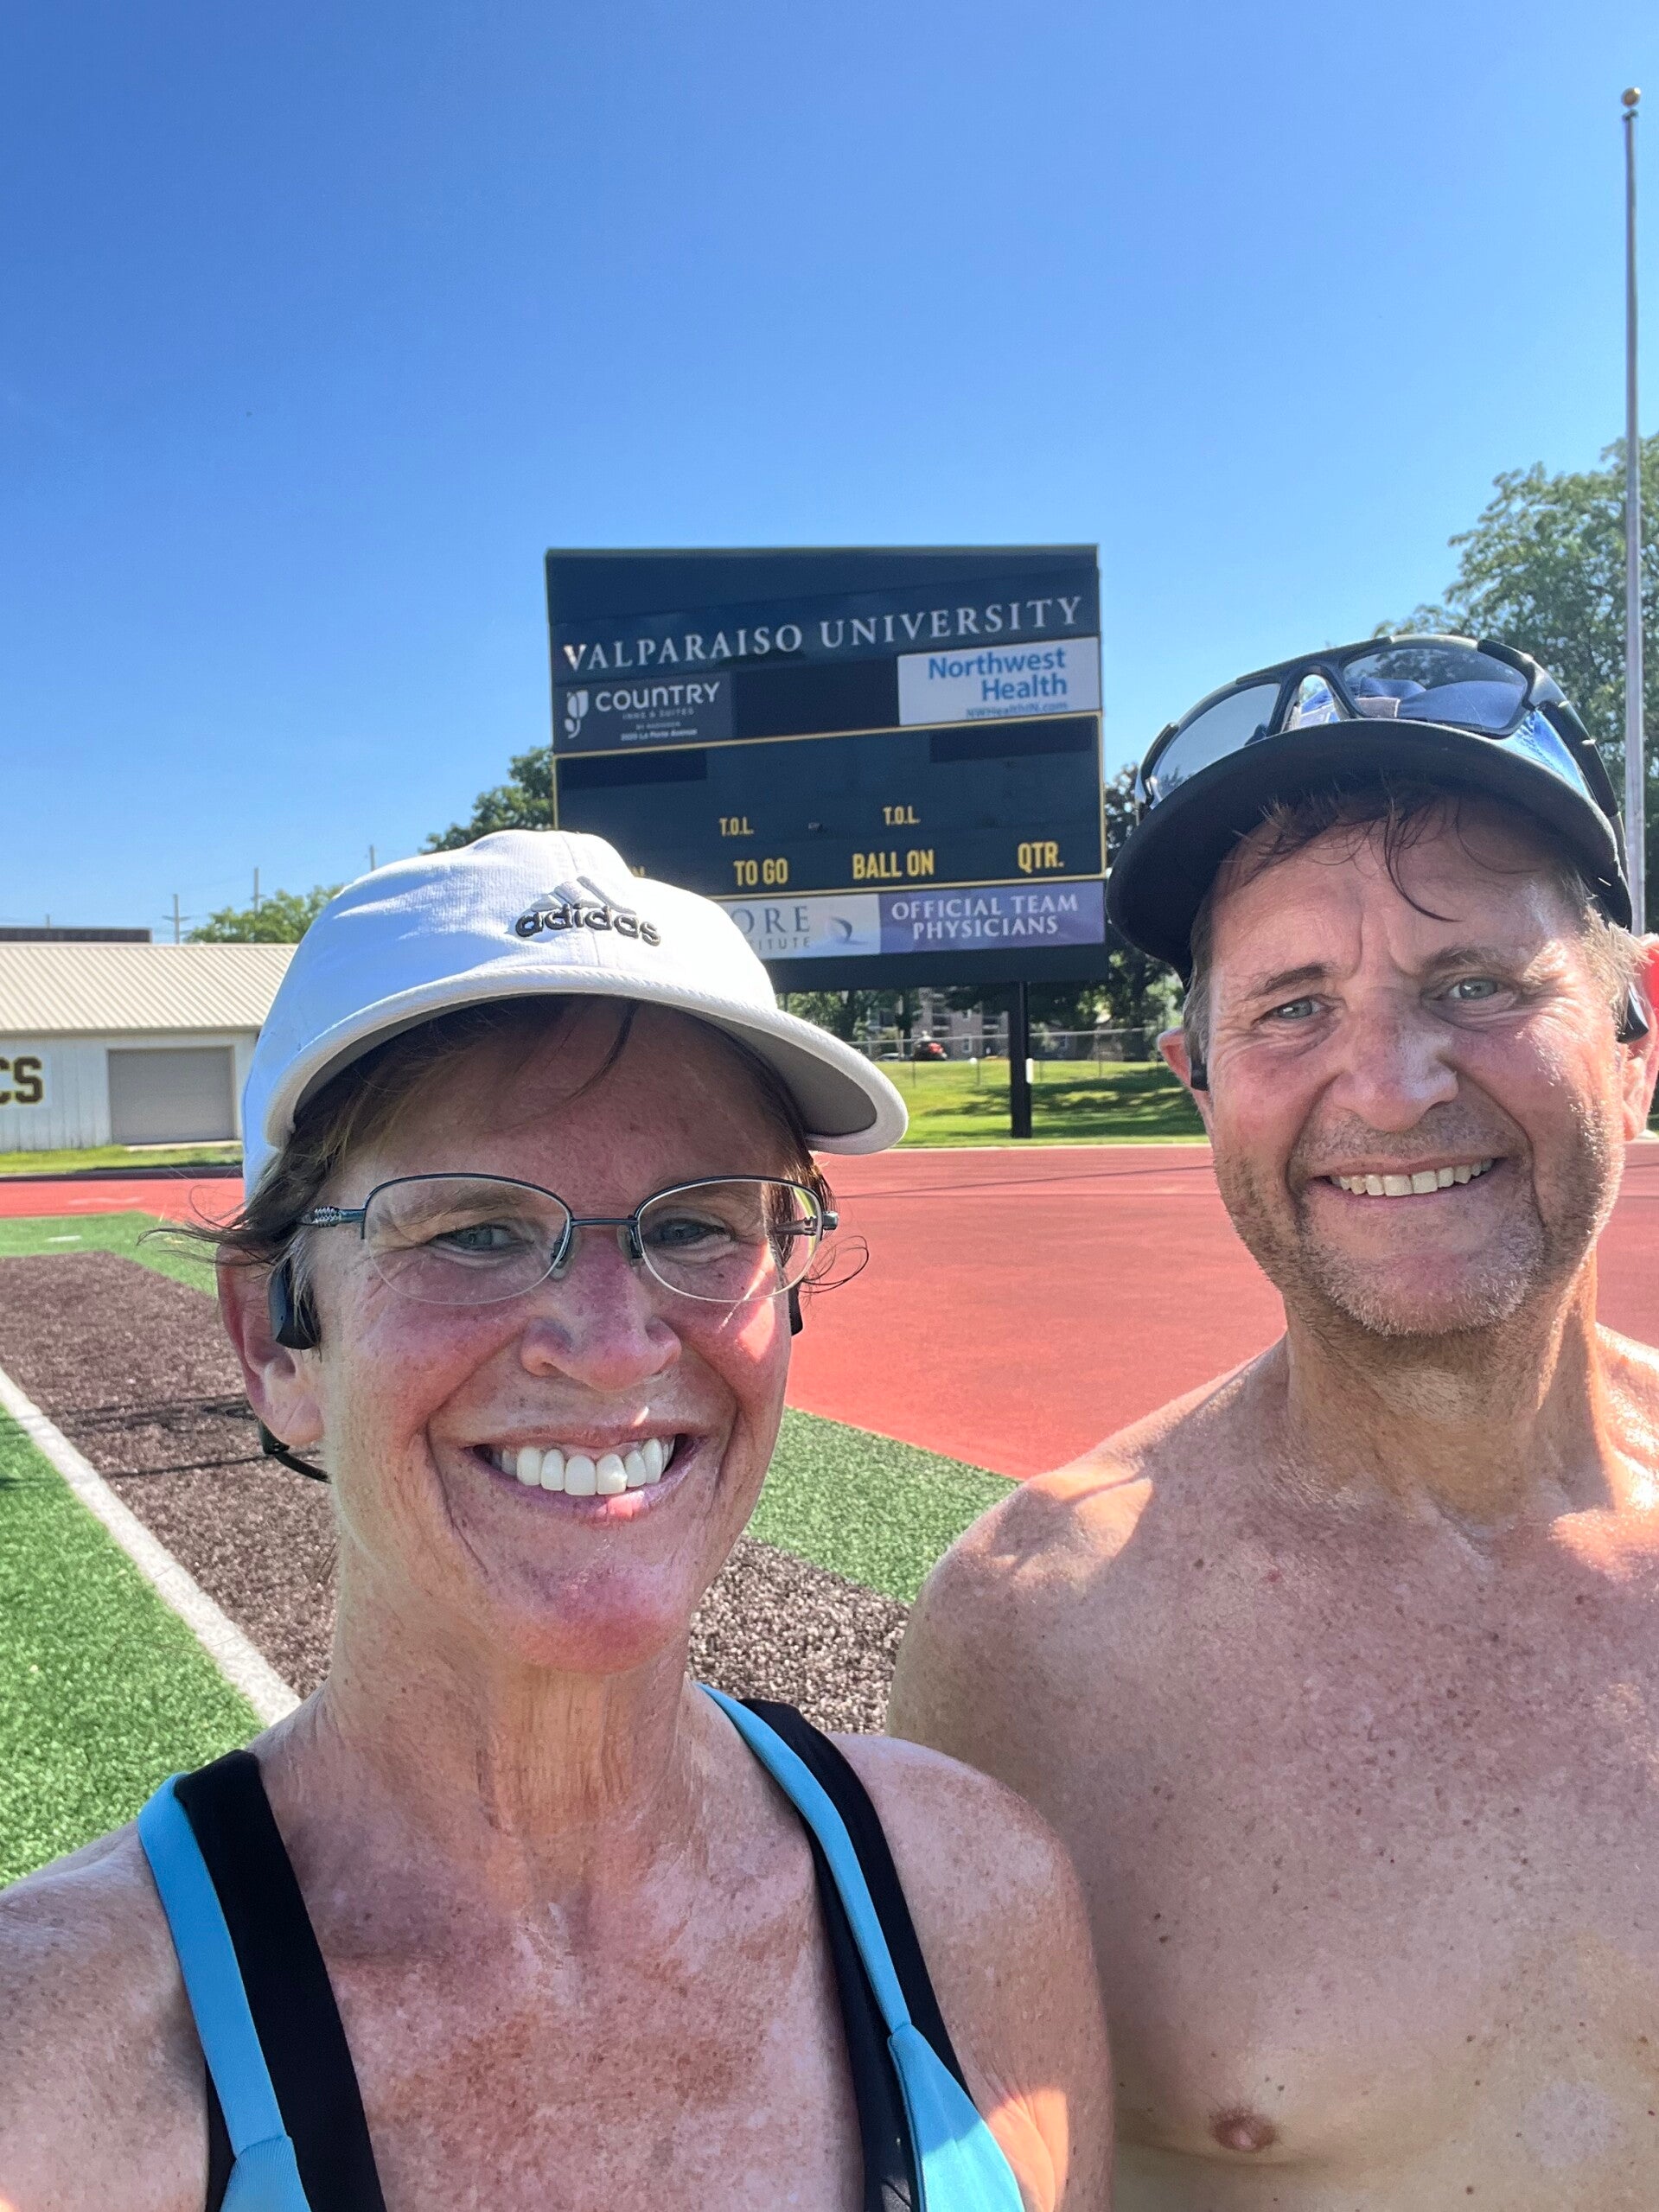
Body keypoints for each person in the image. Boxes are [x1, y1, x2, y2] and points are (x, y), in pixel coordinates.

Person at [0, 831, 1110, 2212]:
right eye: (472, 1229)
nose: (612, 1343)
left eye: (701, 1224)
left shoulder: (981, 1899)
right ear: (277, 1340)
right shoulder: (48, 2076)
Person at [889, 636, 1659, 2209]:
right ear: (1199, 1081)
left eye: (1476, 984)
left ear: (1638, 1025)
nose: (1390, 1083)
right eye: (1293, 1008)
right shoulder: (1032, 1637)